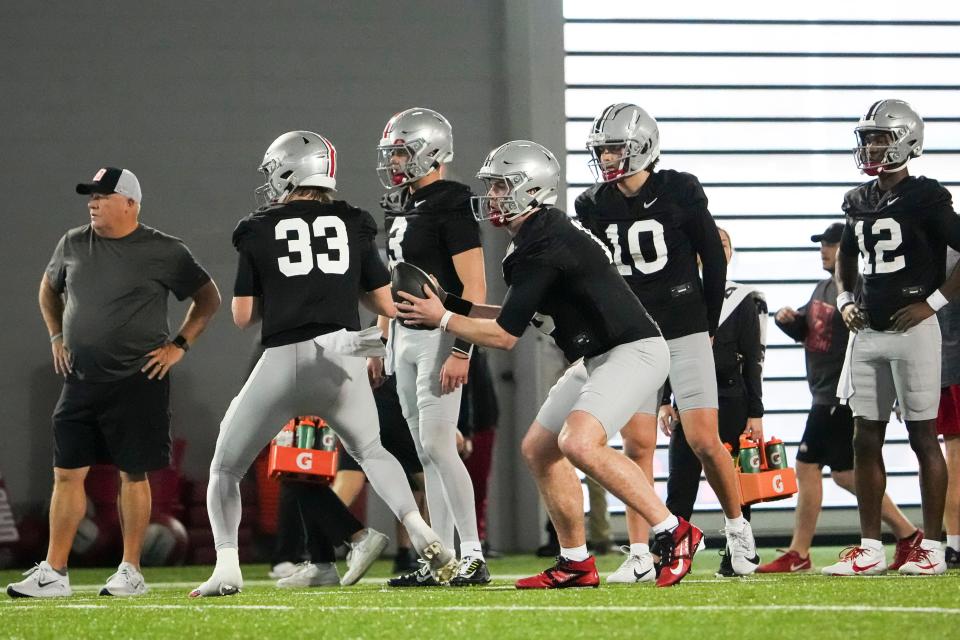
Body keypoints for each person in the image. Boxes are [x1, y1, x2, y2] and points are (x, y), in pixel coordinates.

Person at [397, 140, 702, 588]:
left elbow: (503, 337)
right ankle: (576, 561)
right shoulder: (537, 236)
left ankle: (674, 531)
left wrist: (442, 318)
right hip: (599, 355)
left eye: (503, 186)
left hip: (632, 350)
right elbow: (508, 317)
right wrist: (450, 304)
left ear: (532, 188)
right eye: (494, 186)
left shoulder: (541, 243)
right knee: (539, 448)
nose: (494, 196)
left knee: (579, 443)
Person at [191, 131, 457, 597]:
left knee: (225, 469)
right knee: (372, 452)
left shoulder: (257, 226)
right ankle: (418, 527)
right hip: (346, 352)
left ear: (288, 169)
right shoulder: (355, 222)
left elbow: (241, 317)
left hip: (286, 356)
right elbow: (384, 303)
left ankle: (227, 566)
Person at [8, 168, 221, 599]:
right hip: (81, 380)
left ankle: (130, 570)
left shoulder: (164, 250)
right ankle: (55, 571)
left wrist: (179, 345)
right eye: (91, 195)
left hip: (137, 379)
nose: (93, 202)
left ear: (129, 203)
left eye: (103, 196)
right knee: (66, 474)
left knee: (133, 474)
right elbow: (48, 291)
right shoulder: (72, 242)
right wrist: (55, 335)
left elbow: (208, 298)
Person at [574, 103, 758, 582]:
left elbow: (712, 260)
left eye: (616, 148)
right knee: (637, 444)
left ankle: (739, 532)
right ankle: (641, 551)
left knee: (702, 439)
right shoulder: (593, 203)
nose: (608, 158)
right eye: (603, 150)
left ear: (642, 148)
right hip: (634, 335)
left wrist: (710, 319)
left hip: (683, 326)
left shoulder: (679, 187)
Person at [826, 99, 959, 576]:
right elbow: (844, 257)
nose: (872, 146)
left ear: (906, 140)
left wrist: (933, 302)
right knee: (865, 438)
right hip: (868, 332)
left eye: (880, 137)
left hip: (915, 330)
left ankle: (934, 548)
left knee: (924, 436)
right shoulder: (858, 199)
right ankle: (870, 546)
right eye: (868, 138)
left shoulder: (927, 195)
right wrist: (844, 299)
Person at [372, 108, 490, 586]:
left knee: (440, 446)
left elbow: (475, 286)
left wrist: (463, 350)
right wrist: (379, 338)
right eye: (394, 152)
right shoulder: (400, 202)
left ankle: (474, 553)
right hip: (402, 336)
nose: (396, 161)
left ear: (431, 152)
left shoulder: (453, 202)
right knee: (426, 451)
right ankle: (441, 559)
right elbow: (391, 277)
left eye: (403, 150)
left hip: (441, 334)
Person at [759, 222, 920, 573]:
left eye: (831, 245)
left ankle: (799, 552)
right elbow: (813, 332)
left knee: (807, 466)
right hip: (824, 391)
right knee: (846, 475)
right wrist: (791, 323)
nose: (824, 250)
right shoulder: (822, 287)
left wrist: (891, 390)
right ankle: (908, 534)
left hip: (841, 393)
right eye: (823, 245)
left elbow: (876, 338)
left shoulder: (859, 289)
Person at [643, 227, 766, 579]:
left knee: (737, 481)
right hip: (687, 398)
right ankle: (667, 551)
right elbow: (667, 349)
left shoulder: (746, 298)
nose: (720, 249)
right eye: (715, 244)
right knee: (681, 480)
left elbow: (753, 358)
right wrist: (665, 400)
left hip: (731, 397)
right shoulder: (682, 293)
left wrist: (756, 413)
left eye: (726, 243)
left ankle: (737, 551)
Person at [936, 248, 960, 567]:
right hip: (951, 367)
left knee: (949, 456)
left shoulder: (928, 254)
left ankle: (953, 543)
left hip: (939, 367)